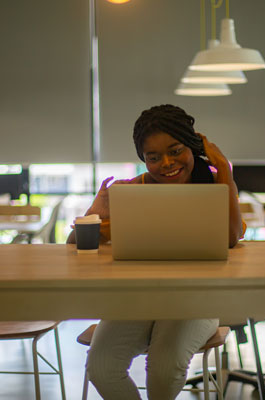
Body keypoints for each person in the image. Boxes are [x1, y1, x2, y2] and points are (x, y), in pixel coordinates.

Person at [68, 104, 244, 399]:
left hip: (196, 301)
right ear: (144, 160)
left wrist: (224, 169)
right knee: (101, 366)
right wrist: (93, 214)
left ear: (192, 147)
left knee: (164, 369)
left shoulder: (214, 186)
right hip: (137, 299)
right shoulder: (132, 190)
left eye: (175, 151)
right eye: (154, 157)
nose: (166, 163)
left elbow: (230, 237)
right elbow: (74, 246)